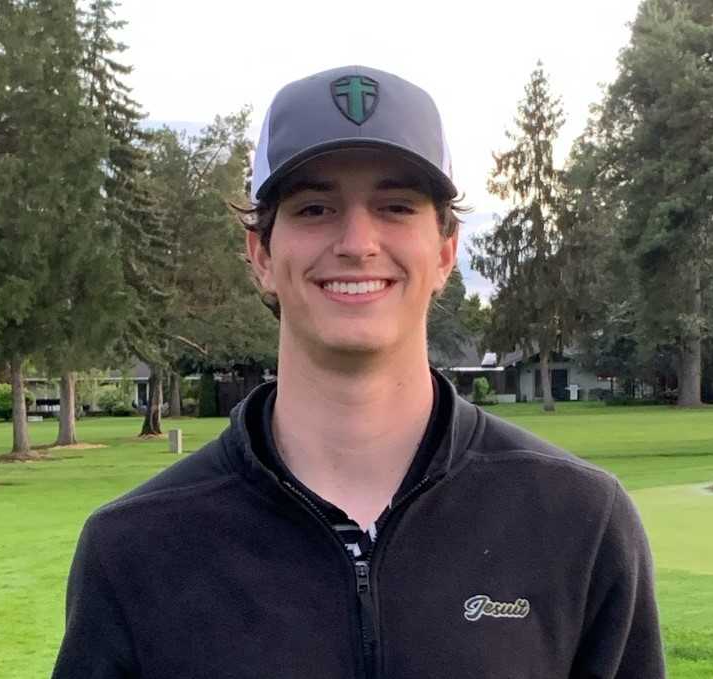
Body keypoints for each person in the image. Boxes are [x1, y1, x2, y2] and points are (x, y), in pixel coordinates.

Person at [52, 65, 665, 679]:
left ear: (445, 251)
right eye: (315, 208)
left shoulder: (579, 521)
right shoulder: (135, 547)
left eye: (395, 207)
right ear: (261, 254)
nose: (357, 242)